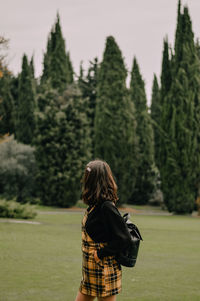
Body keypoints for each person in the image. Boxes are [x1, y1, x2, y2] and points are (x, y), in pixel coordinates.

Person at [75, 159, 132, 301]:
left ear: (94, 180)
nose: (85, 180)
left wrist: (100, 254)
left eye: (87, 176)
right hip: (90, 270)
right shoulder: (95, 205)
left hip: (104, 269)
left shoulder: (106, 207)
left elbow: (124, 238)